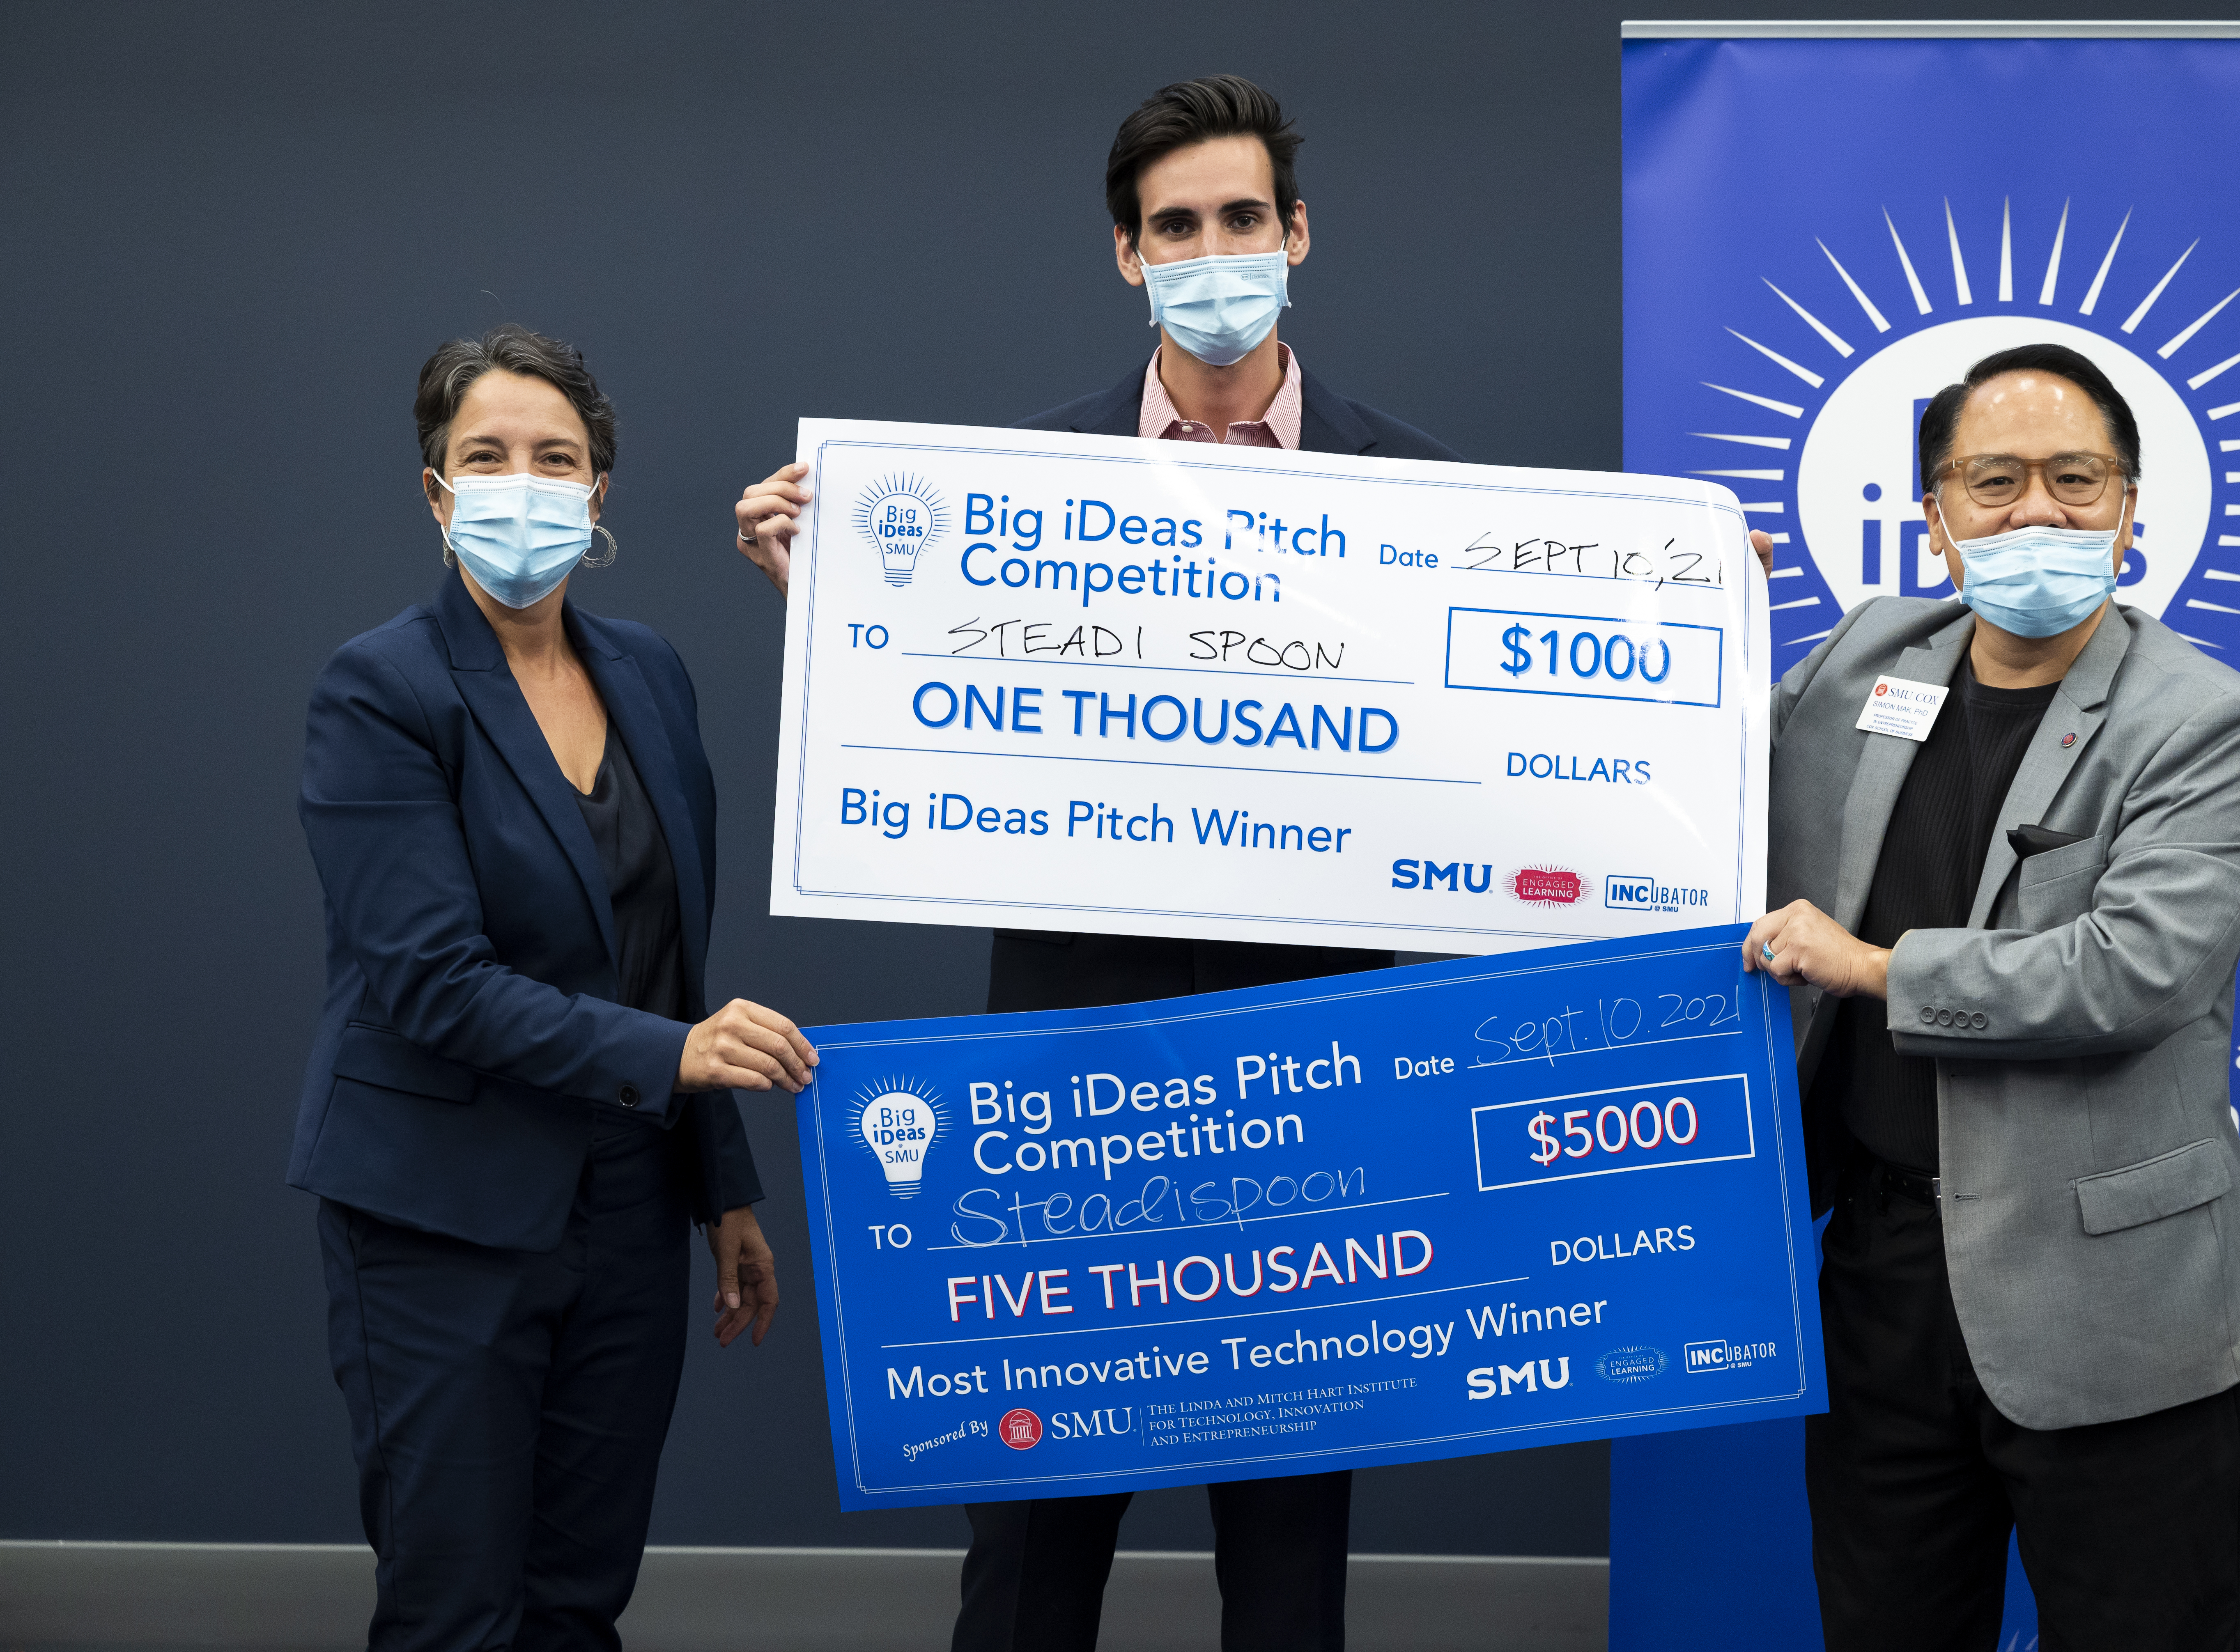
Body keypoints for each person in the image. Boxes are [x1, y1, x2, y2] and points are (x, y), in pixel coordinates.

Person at [731, 73, 1449, 1652]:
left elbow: (1496, 774)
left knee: (1288, 1561)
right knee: (1032, 1554)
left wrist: (1677, 607)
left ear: (1299, 233)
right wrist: (831, 603)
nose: (1213, 253)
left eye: (1242, 218)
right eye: (1176, 227)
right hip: (1069, 1091)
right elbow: (933, 738)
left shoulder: (1425, 495)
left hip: (1307, 1096)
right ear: (1129, 255)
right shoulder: (1012, 493)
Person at [1743, 342, 2240, 1650]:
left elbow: (2132, 971)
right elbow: (1693, 777)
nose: (2035, 512)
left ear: (2128, 510)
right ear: (1935, 518)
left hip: (2114, 1299)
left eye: (2074, 480)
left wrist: (1875, 968)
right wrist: (1685, 626)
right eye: (1994, 482)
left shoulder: (2209, 721)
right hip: (1883, 1275)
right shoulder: (1868, 661)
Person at [292, 323, 821, 1650]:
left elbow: (670, 962)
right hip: (442, 1218)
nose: (520, 484)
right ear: (436, 491)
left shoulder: (647, 671)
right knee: (456, 1612)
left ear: (597, 492)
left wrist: (721, 1188)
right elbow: (432, 983)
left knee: (580, 1603)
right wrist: (679, 1058)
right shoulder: (380, 689)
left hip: (631, 1210)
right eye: (486, 457)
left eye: (555, 458)